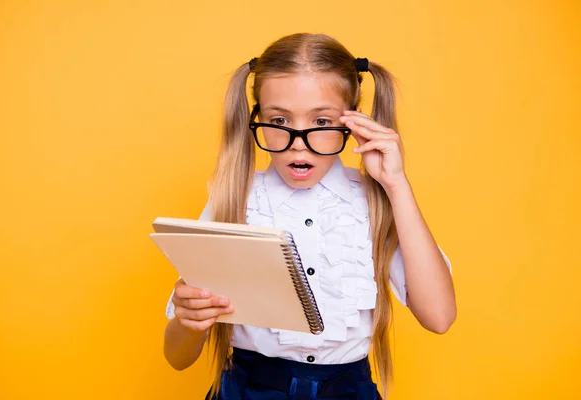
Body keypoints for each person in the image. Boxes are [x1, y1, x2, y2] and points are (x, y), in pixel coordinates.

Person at [163, 33, 457, 400]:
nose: (298, 142)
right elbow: (177, 357)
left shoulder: (375, 202)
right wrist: (189, 322)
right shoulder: (234, 202)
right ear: (256, 117)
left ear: (353, 121)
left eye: (320, 122)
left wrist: (396, 184)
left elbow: (440, 317)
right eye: (280, 119)